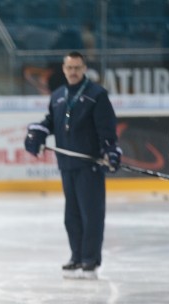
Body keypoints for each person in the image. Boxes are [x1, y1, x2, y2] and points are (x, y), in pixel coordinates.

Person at [24, 51, 122, 280]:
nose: (74, 72)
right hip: (67, 165)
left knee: (91, 215)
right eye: (70, 68)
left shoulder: (97, 95)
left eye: (77, 67)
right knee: (72, 216)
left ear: (84, 68)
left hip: (90, 165)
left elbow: (107, 128)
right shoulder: (58, 95)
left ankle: (90, 260)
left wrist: (109, 149)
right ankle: (76, 256)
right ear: (64, 69)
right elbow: (51, 122)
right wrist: (38, 133)